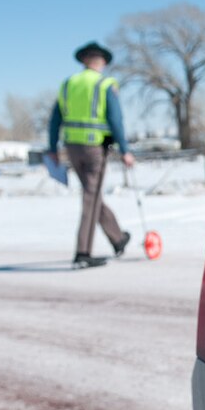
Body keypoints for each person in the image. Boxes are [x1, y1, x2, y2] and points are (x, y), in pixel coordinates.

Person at [48, 41, 135, 269]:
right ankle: (83, 253)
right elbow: (116, 120)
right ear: (102, 62)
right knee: (90, 197)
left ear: (84, 61)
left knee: (92, 194)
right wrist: (125, 150)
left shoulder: (69, 84)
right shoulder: (104, 83)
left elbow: (55, 119)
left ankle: (117, 238)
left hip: (72, 148)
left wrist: (52, 147)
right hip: (94, 148)